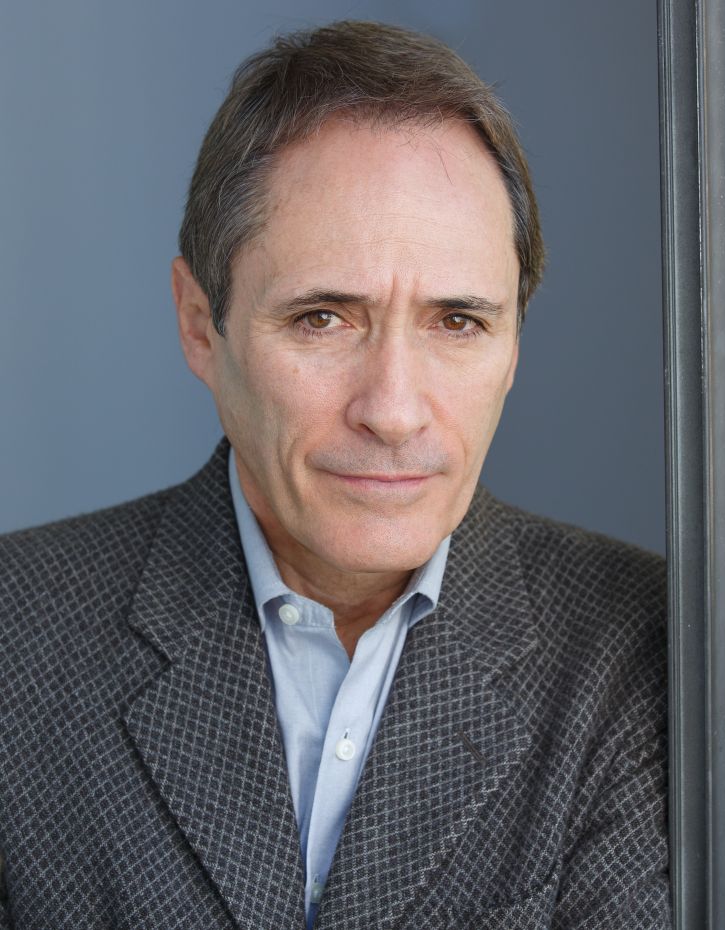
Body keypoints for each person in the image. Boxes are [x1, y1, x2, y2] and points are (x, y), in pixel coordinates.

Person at [0, 20, 670, 930]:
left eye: (458, 322)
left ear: (514, 343)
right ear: (200, 325)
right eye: (322, 318)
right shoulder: (16, 634)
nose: (393, 411)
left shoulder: (647, 648)